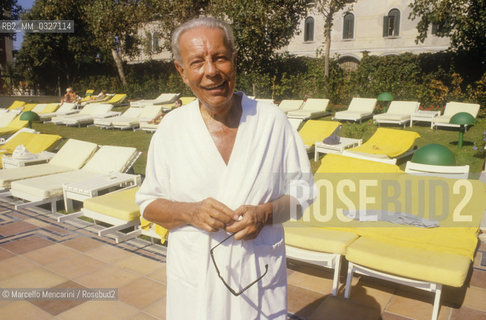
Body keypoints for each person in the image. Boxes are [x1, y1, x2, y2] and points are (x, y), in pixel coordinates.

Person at [136, 16, 314, 320]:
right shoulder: (171, 129)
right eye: (197, 63)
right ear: (182, 71)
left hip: (258, 276)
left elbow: (303, 195)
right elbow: (148, 205)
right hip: (196, 285)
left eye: (220, 58)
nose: (211, 72)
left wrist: (264, 214)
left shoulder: (271, 121)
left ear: (234, 60)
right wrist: (189, 212)